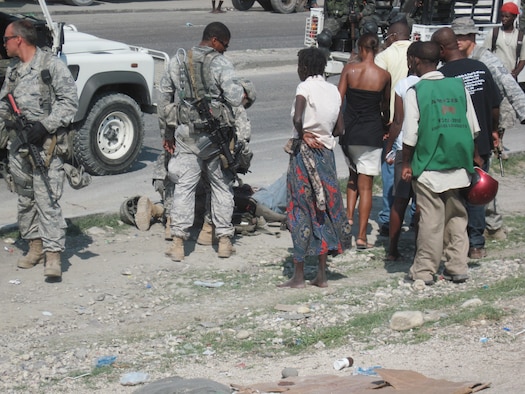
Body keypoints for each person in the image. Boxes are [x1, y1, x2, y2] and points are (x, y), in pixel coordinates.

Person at [158, 22, 244, 261]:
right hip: (215, 139)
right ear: (215, 40)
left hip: (186, 136)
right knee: (221, 186)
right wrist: (244, 88)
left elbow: (164, 99)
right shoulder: (220, 63)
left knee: (184, 187)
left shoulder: (178, 61)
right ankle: (224, 241)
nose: (224, 50)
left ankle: (178, 244)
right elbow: (236, 99)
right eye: (224, 45)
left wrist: (167, 134)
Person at [0, 20, 78, 279]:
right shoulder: (13, 70)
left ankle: (53, 255)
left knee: (47, 200)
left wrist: (45, 126)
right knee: (25, 200)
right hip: (19, 147)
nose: (4, 44)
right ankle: (35, 247)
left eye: (6, 39)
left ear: (18, 39)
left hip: (46, 147)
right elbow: (3, 104)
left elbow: (69, 103)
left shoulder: (51, 66)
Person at [401, 41, 480, 285]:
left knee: (431, 221)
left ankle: (425, 271)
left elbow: (410, 135)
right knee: (457, 217)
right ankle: (457, 266)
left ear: (415, 61)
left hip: (428, 167)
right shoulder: (458, 86)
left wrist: (406, 164)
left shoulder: (416, 91)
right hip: (458, 163)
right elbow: (473, 128)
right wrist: (473, 158)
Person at [279, 47, 351, 288]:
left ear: (306, 68)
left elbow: (298, 119)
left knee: (300, 209)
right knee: (323, 208)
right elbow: (340, 129)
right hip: (326, 157)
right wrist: (323, 134)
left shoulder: (305, 87)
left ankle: (298, 276)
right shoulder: (333, 91)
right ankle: (321, 274)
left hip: (304, 157)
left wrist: (304, 134)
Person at [432, 28, 502, 260]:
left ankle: (455, 244)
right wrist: (493, 130)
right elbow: (494, 106)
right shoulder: (480, 69)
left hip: (454, 145)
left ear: (442, 49)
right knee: (477, 193)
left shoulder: (443, 75)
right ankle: (476, 245)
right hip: (481, 143)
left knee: (454, 196)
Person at [338, 33, 391, 250]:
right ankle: (361, 237)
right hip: (371, 133)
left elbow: (338, 99)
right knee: (366, 186)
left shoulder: (349, 70)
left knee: (353, 176)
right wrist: (387, 126)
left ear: (361, 48)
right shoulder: (383, 75)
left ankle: (348, 219)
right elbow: (385, 107)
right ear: (376, 49)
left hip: (349, 133)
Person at [374, 21, 412, 236]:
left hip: (393, 122)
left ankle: (388, 219)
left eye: (387, 35)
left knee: (390, 166)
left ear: (394, 35)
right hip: (417, 121)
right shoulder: (419, 51)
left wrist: (383, 119)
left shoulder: (385, 56)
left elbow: (380, 90)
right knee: (416, 164)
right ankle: (416, 214)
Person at [384, 42, 420, 261]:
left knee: (400, 201)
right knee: (423, 202)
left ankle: (392, 249)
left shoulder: (403, 85)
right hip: (426, 150)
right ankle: (420, 248)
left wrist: (389, 148)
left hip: (403, 150)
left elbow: (397, 122)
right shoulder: (436, 82)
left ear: (411, 61)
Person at [483, 2, 525, 81]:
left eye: (507, 16)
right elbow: (485, 53)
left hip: (510, 77)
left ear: (514, 17)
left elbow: (523, 59)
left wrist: (516, 73)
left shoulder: (520, 37)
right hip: (495, 76)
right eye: (502, 16)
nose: (503, 19)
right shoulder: (494, 32)